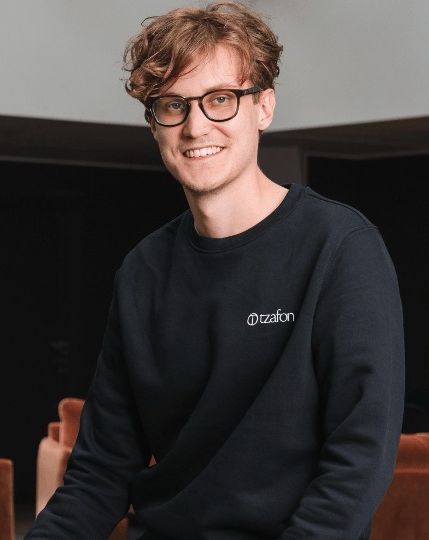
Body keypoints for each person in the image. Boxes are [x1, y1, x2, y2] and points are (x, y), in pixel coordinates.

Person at [26, 2, 404, 539]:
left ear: (264, 107)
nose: (195, 126)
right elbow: (100, 471)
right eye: (173, 105)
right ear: (154, 123)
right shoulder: (143, 272)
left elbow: (358, 462)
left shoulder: (340, 248)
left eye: (220, 99)